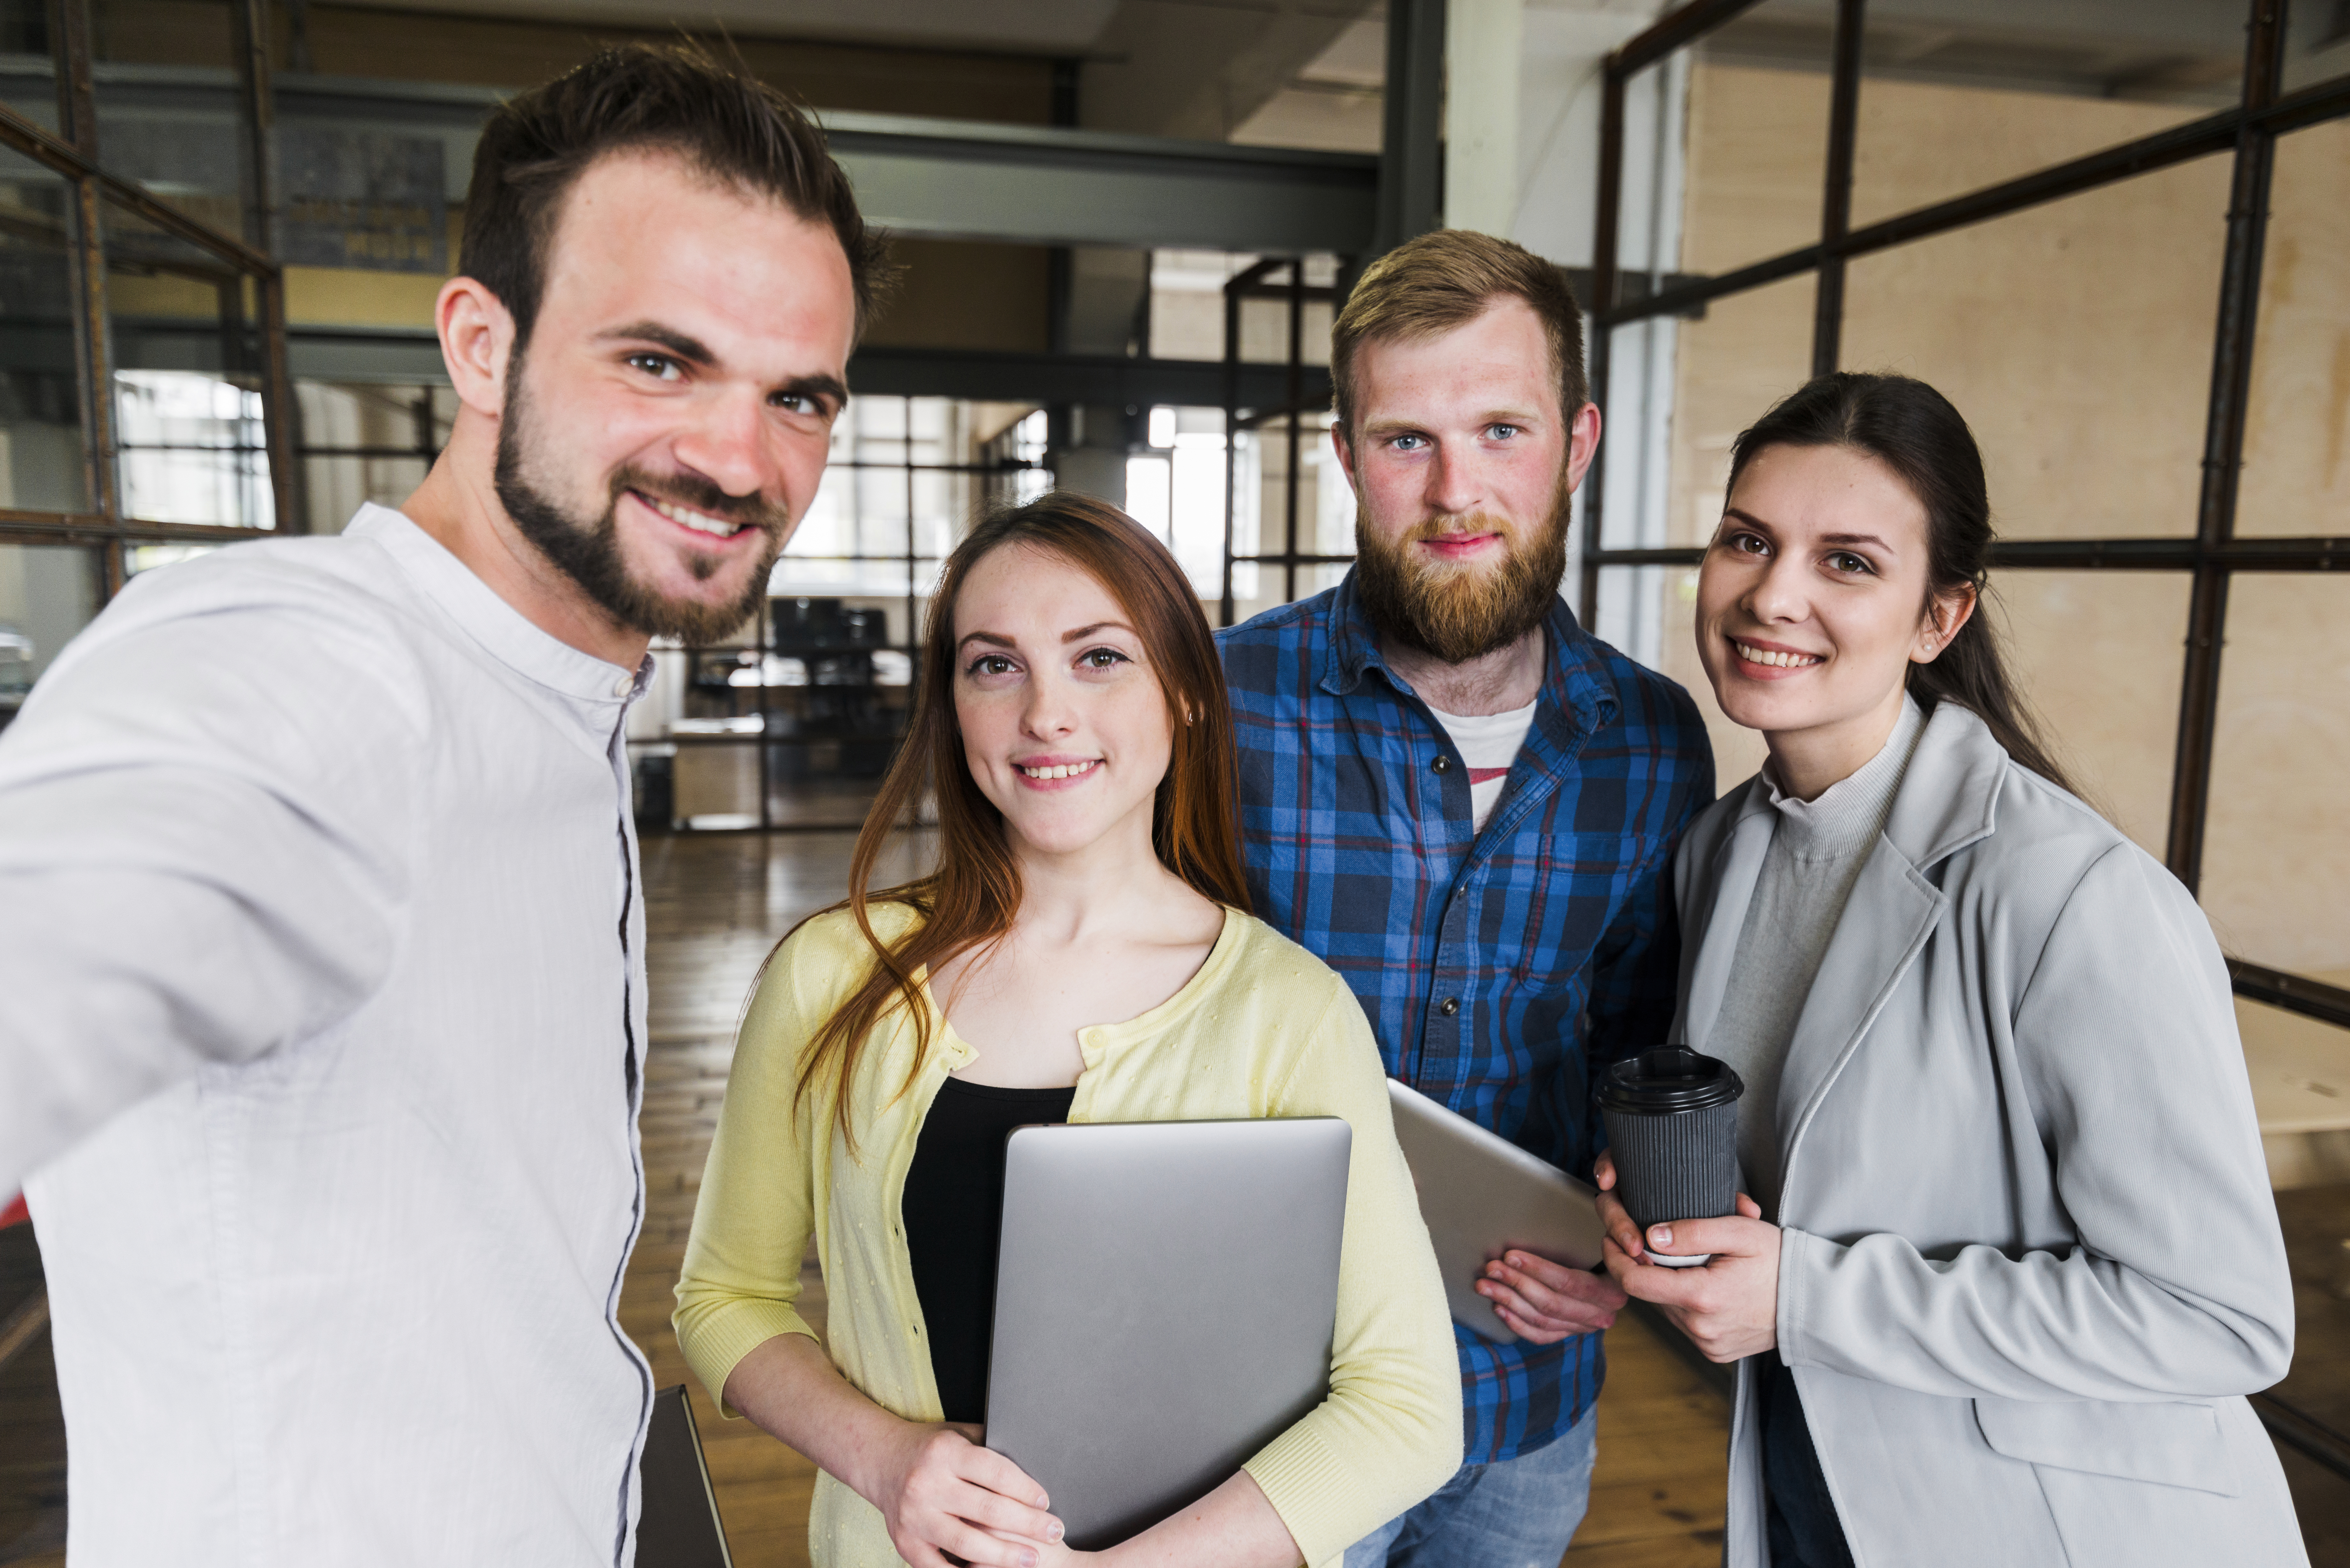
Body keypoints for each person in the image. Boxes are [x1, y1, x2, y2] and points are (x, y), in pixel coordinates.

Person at [0, 44, 886, 1566]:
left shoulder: (558, 685)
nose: (741, 459)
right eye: (658, 361)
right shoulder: (314, 671)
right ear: (481, 347)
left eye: (797, 396)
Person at [1595, 372, 2304, 1567]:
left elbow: (2221, 1320)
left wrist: (1808, 1298)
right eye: (1747, 540)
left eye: (1850, 563)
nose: (1775, 594)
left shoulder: (2070, 894)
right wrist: (1669, 1206)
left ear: (1942, 617)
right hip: (1819, 1489)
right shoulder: (1718, 851)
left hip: (2056, 1528)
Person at [674, 493, 1462, 1568]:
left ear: (1184, 691)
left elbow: (1408, 1406)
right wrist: (889, 1460)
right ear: (953, 704)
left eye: (1099, 658)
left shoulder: (1292, 1011)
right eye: (995, 665)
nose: (1046, 713)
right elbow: (724, 1299)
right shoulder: (833, 974)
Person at [1217, 227, 1717, 1566]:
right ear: (1344, 457)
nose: (1456, 492)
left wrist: (1618, 1241)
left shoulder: (1655, 739)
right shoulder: (1214, 704)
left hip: (1522, 1399)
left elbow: (1632, 1044)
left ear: (1577, 440)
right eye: (1405, 440)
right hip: (1268, 1406)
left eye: (1501, 429)